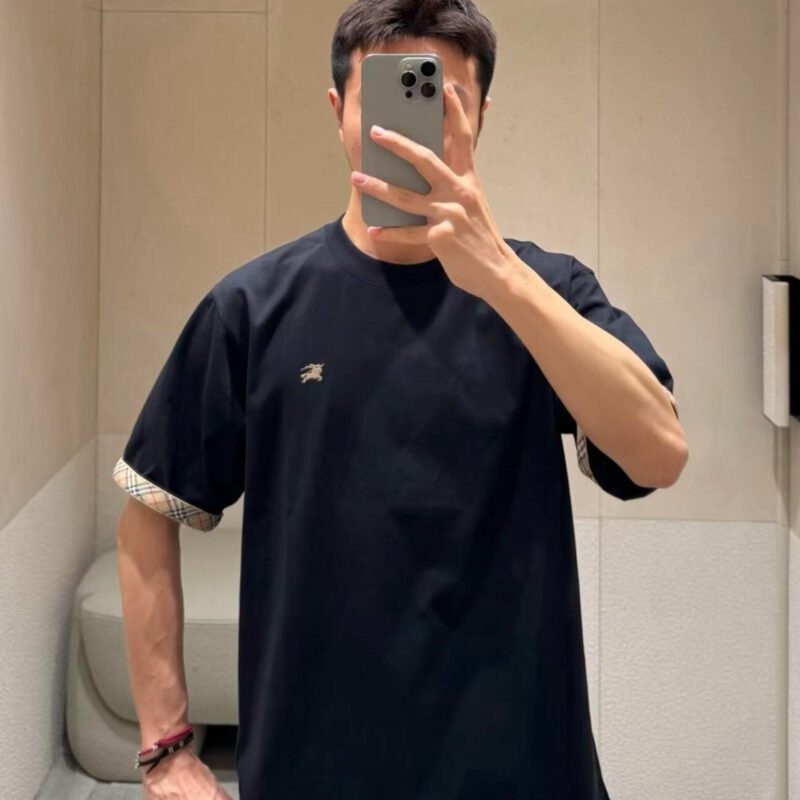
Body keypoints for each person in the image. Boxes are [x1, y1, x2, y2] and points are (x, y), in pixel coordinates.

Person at [113, 1, 689, 798]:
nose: (413, 130)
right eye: (390, 97)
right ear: (338, 111)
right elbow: (149, 510)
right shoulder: (254, 307)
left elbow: (659, 455)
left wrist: (499, 273)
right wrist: (167, 749)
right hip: (312, 771)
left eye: (444, 99)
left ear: (480, 116)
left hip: (521, 770)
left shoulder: (547, 292)